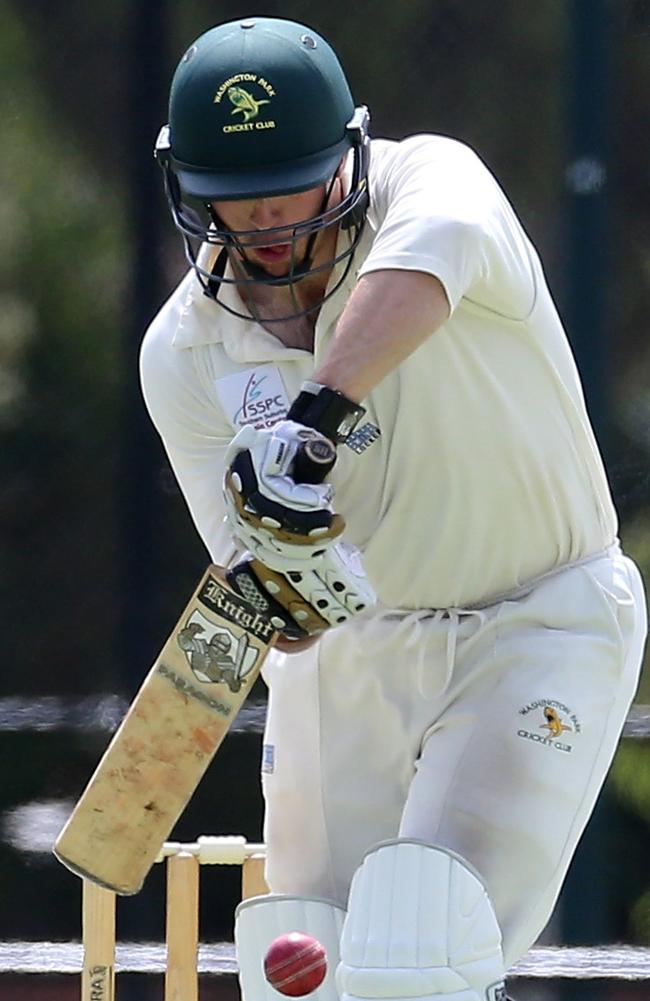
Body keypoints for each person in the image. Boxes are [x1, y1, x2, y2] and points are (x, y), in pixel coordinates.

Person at [140, 16, 647, 1001]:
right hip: (351, 653)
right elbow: (273, 612)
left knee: (419, 942)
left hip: (533, 619)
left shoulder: (436, 184)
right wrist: (283, 573)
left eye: (293, 191)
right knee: (301, 963)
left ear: (350, 159)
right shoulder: (183, 351)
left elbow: (430, 261)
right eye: (236, 205)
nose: (270, 227)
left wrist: (308, 422)